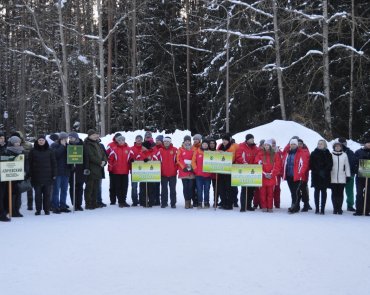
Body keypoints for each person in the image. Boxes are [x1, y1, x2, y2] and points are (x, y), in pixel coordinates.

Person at [29, 135, 57, 215]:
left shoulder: (50, 151)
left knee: (47, 195)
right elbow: (30, 164)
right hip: (36, 177)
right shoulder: (33, 151)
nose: (41, 141)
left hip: (48, 177)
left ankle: (46, 210)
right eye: (40, 140)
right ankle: (38, 210)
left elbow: (54, 163)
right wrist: (29, 174)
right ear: (37, 141)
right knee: (38, 195)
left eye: (42, 140)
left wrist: (54, 174)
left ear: (45, 141)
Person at [282, 138, 310, 213]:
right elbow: (284, 162)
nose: (293, 145)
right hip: (289, 175)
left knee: (295, 191)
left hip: (297, 176)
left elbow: (304, 164)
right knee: (293, 192)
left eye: (294, 144)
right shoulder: (287, 153)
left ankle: (294, 206)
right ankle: (296, 206)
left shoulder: (301, 152)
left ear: (297, 145)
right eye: (291, 144)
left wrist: (300, 173)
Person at [4, 136, 29, 217]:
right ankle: (11, 210)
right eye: (16, 142)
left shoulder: (22, 151)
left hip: (20, 175)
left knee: (18, 194)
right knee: (12, 194)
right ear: (12, 143)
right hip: (10, 176)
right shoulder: (7, 151)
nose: (17, 143)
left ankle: (17, 210)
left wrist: (26, 171)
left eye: (18, 142)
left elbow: (26, 163)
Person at [254, 139, 282, 212]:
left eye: (267, 145)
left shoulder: (275, 155)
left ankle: (270, 207)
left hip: (271, 177)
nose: (266, 146)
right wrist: (263, 172)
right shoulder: (260, 154)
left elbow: (277, 166)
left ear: (270, 146)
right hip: (262, 177)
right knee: (262, 193)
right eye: (265, 145)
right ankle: (264, 207)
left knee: (270, 193)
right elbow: (257, 162)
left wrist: (272, 174)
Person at [83, 129, 107, 210]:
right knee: (89, 187)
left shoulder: (98, 144)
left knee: (96, 187)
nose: (96, 136)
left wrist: (104, 161)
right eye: (93, 135)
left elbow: (103, 153)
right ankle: (88, 203)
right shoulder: (87, 144)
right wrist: (100, 162)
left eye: (96, 134)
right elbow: (91, 156)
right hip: (91, 168)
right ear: (89, 136)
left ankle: (94, 202)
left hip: (99, 168)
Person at [235, 133, 259, 211]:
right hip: (244, 169)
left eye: (253, 139)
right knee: (244, 189)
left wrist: (256, 163)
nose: (252, 140)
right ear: (247, 139)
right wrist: (244, 162)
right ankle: (243, 206)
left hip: (253, 171)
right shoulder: (241, 146)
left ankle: (248, 205)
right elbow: (238, 156)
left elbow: (258, 156)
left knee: (251, 190)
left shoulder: (256, 148)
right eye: (250, 139)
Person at [11, 131, 33, 211]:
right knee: (17, 189)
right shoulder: (9, 146)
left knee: (28, 187)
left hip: (26, 166)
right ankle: (14, 207)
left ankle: (30, 205)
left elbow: (31, 154)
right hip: (14, 169)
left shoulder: (28, 145)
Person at [309, 139, 333, 214]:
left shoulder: (328, 153)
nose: (319, 145)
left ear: (325, 145)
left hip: (325, 175)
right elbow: (311, 164)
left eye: (321, 144)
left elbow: (330, 164)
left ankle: (322, 209)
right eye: (318, 143)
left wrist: (324, 170)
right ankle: (317, 208)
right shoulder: (313, 153)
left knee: (324, 192)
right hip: (316, 175)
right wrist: (317, 170)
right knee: (316, 192)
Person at [107, 135, 131, 207]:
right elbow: (110, 160)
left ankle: (124, 200)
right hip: (116, 171)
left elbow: (131, 158)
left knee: (125, 186)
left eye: (122, 140)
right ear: (117, 141)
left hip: (125, 171)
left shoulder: (128, 149)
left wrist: (132, 161)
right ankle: (120, 201)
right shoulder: (114, 149)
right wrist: (110, 168)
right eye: (119, 140)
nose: (121, 142)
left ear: (124, 140)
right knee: (118, 187)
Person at [50, 132, 71, 214]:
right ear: (60, 139)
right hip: (58, 172)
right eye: (63, 138)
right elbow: (56, 155)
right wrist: (62, 146)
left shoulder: (68, 146)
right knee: (56, 190)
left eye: (66, 138)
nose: (65, 140)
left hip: (66, 171)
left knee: (64, 190)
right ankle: (55, 206)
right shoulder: (54, 146)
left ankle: (63, 205)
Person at [217, 133, 238, 210]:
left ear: (229, 140)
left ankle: (229, 203)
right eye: (223, 140)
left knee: (229, 187)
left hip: (229, 169)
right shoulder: (220, 146)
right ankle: (223, 202)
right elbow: (216, 154)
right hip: (221, 169)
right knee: (221, 187)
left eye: (226, 140)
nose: (224, 141)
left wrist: (225, 154)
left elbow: (232, 157)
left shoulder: (232, 147)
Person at [156, 136, 178, 208]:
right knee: (164, 189)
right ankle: (164, 203)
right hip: (163, 174)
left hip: (172, 174)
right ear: (163, 142)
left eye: (168, 141)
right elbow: (156, 160)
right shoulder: (160, 150)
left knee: (172, 190)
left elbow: (178, 160)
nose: (166, 142)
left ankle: (173, 203)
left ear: (170, 142)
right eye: (165, 141)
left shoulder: (175, 150)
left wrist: (175, 168)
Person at [330, 141, 351, 215]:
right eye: (336, 146)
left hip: (342, 177)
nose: (337, 147)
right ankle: (335, 208)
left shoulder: (344, 155)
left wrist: (348, 175)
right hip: (333, 177)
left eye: (339, 146)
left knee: (340, 193)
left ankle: (339, 208)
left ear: (341, 147)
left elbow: (347, 166)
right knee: (334, 193)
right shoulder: (331, 154)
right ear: (334, 147)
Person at [192, 139, 212, 209]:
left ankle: (206, 202)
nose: (205, 145)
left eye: (206, 144)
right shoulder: (197, 151)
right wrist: (195, 170)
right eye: (204, 144)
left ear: (208, 145)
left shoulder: (210, 152)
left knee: (207, 190)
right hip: (199, 175)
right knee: (199, 190)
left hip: (207, 175)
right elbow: (193, 161)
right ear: (202, 144)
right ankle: (199, 202)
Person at [338, 137, 357, 211]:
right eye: (341, 143)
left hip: (349, 175)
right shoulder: (335, 152)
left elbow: (353, 163)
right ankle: (338, 205)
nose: (342, 145)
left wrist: (352, 173)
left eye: (344, 143)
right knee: (338, 191)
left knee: (349, 192)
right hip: (339, 175)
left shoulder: (350, 152)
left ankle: (350, 205)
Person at [68, 132, 85, 211]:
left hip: (80, 170)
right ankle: (74, 203)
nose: (70, 139)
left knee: (80, 187)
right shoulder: (68, 146)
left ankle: (79, 204)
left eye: (72, 137)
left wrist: (85, 168)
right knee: (73, 187)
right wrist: (71, 167)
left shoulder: (82, 145)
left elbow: (86, 157)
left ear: (76, 138)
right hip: (72, 171)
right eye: (69, 138)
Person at [353, 137, 370, 216]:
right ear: (365, 144)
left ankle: (367, 210)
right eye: (368, 143)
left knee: (368, 193)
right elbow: (354, 162)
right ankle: (359, 210)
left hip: (369, 176)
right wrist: (361, 159)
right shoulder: (358, 152)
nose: (369, 144)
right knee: (359, 193)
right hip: (360, 175)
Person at [177, 135, 195, 209]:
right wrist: (184, 167)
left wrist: (193, 167)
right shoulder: (180, 149)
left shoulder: (193, 149)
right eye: (186, 140)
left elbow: (195, 159)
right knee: (185, 187)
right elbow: (179, 159)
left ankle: (190, 201)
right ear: (184, 141)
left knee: (191, 187)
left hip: (191, 171)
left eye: (188, 140)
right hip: (183, 171)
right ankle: (186, 202)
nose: (187, 142)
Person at [297, 138, 312, 211]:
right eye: (298, 143)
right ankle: (297, 204)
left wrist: (303, 172)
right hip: (296, 175)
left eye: (300, 144)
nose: (299, 145)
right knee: (297, 190)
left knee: (304, 189)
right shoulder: (295, 151)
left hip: (304, 174)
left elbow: (307, 163)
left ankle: (306, 204)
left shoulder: (306, 151)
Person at [129, 135, 144, 206]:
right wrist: (130, 160)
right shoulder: (131, 148)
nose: (138, 140)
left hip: (143, 170)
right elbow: (128, 158)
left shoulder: (144, 148)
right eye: (137, 139)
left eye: (140, 139)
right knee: (134, 186)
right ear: (135, 139)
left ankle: (141, 200)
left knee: (142, 186)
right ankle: (134, 200)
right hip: (134, 170)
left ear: (142, 140)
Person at [152, 135, 164, 206]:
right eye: (156, 140)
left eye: (159, 140)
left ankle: (159, 200)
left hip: (161, 169)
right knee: (154, 185)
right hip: (153, 169)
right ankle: (154, 199)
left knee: (160, 186)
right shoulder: (153, 148)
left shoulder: (163, 148)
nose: (157, 142)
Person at [271, 139, 283, 208]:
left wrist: (280, 172)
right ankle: (269, 203)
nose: (273, 145)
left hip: (277, 174)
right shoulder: (267, 151)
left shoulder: (279, 152)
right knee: (269, 189)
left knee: (277, 188)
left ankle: (277, 203)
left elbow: (282, 162)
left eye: (274, 143)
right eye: (272, 143)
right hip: (269, 173)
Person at [0, 132, 9, 221]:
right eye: (0, 138)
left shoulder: (6, 148)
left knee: (3, 195)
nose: (2, 140)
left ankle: (3, 211)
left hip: (4, 175)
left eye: (3, 138)